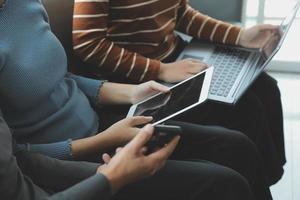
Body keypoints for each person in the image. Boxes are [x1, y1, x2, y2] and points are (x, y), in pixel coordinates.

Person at [0, 0, 272, 199]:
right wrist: (103, 140)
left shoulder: (23, 5)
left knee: (237, 147)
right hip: (69, 156)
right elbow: (19, 158)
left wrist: (132, 92)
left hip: (103, 121)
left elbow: (62, 77)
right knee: (225, 184)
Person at [72, 0, 285, 185]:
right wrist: (161, 69)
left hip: (177, 56)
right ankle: (256, 183)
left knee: (266, 88)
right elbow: (88, 43)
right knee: (247, 109)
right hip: (138, 80)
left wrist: (239, 36)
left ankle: (266, 178)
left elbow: (180, 13)